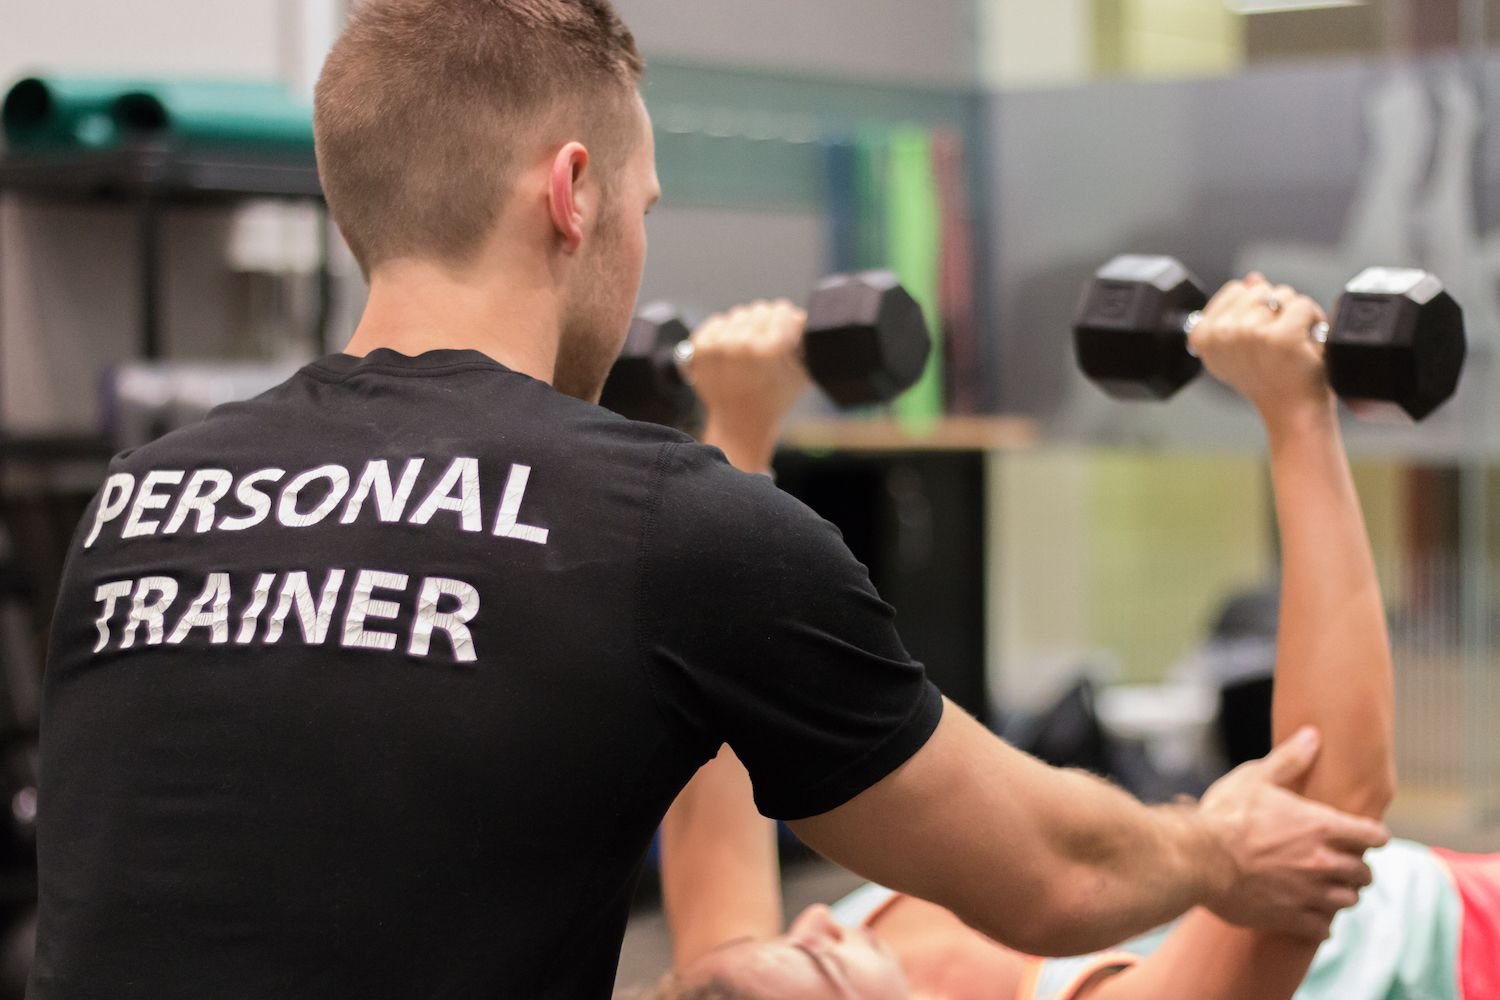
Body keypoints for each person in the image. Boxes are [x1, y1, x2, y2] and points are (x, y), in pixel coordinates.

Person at [31, 3, 1387, 997]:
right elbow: (1058, 876)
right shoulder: (663, 530)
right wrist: (1214, 846)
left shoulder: (143, 499)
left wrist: (711, 985)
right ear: (573, 194)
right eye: (645, 203)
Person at [650, 276, 1500, 1000]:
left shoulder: (743, 974)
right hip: (1466, 944)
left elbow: (729, 668)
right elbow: (1334, 806)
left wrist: (738, 419)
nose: (811, 921)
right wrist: (1298, 411)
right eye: (818, 964)